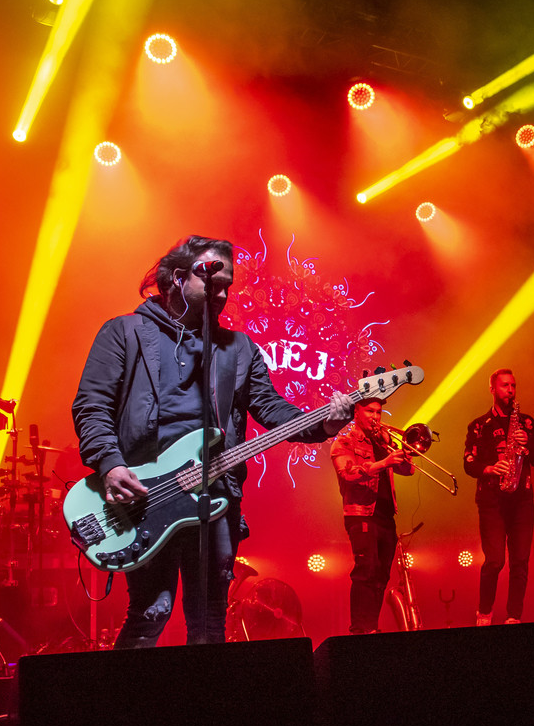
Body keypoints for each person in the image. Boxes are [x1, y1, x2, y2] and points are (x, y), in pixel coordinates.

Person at [73, 234, 353, 648]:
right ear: (177, 278)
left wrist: (324, 424)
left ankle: (205, 692)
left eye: (227, 286)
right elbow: (92, 405)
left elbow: (271, 409)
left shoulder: (238, 349)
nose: (222, 295)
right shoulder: (124, 333)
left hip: (216, 496)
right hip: (146, 496)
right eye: (212, 283)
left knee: (209, 621)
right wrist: (111, 464)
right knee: (151, 611)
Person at [463, 368, 534, 626]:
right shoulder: (479, 425)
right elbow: (468, 463)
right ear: (492, 389)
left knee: (520, 562)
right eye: (505, 386)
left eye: (513, 386)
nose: (510, 390)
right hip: (492, 501)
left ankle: (513, 617)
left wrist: (528, 442)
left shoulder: (527, 423)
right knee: (495, 560)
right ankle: (484, 613)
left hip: (522, 500)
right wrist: (490, 468)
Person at [331, 398, 416, 634]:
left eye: (379, 412)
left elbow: (408, 470)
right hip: (361, 514)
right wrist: (383, 463)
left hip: (386, 516)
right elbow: (348, 473)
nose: (376, 417)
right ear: (356, 412)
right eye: (370, 411)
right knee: (365, 571)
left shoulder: (383, 442)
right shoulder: (344, 441)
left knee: (381, 576)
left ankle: (371, 628)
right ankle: (359, 630)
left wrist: (406, 452)